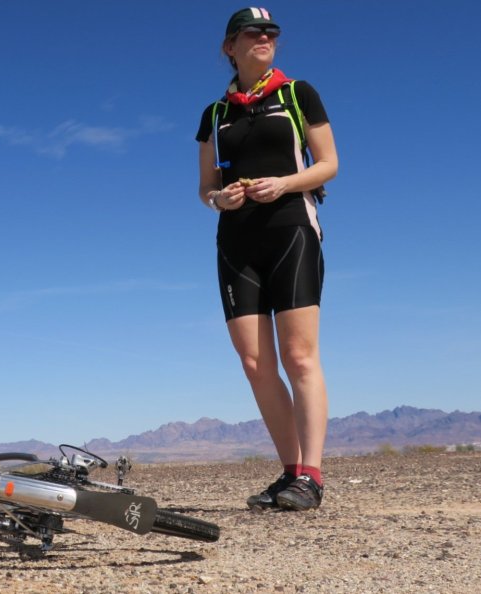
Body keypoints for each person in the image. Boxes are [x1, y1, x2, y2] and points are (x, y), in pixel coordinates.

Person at [196, 8, 338, 511]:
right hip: (236, 242)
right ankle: (290, 472)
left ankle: (312, 477)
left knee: (299, 356)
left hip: (292, 230)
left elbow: (329, 164)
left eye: (271, 32)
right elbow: (206, 188)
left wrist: (284, 184)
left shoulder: (298, 94)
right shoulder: (215, 114)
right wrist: (221, 199)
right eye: (253, 32)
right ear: (230, 46)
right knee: (256, 363)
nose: (265, 38)